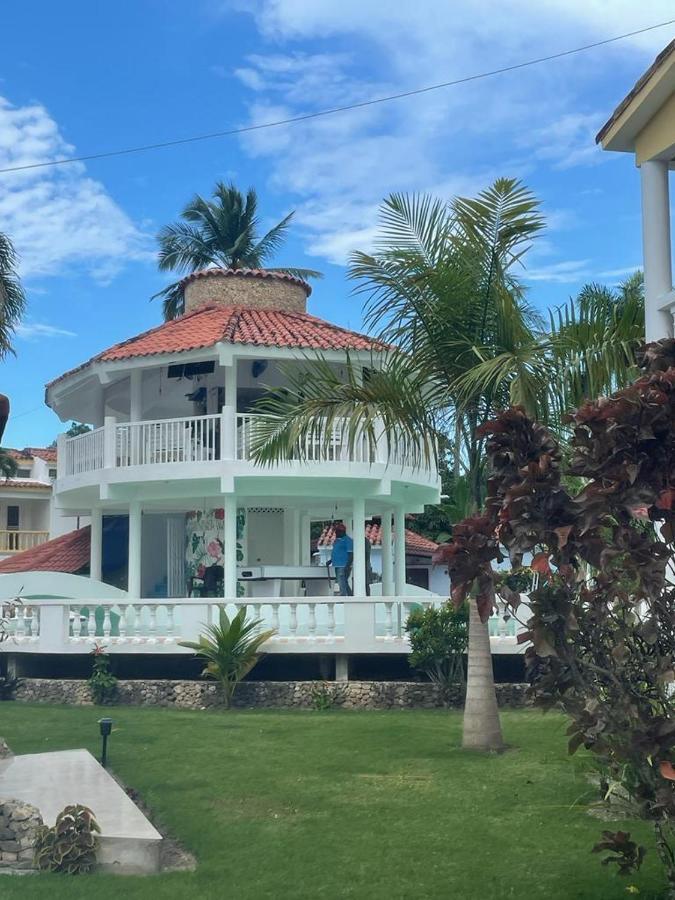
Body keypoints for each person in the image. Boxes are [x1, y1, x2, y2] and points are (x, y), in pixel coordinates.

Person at [329, 523, 353, 596]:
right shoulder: (337, 540)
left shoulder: (348, 541)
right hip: (336, 565)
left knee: (341, 582)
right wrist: (330, 561)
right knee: (344, 582)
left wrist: (347, 566)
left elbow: (351, 555)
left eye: (337, 531)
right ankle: (350, 596)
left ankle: (343, 598)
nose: (336, 533)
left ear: (342, 532)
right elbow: (337, 552)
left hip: (343, 566)